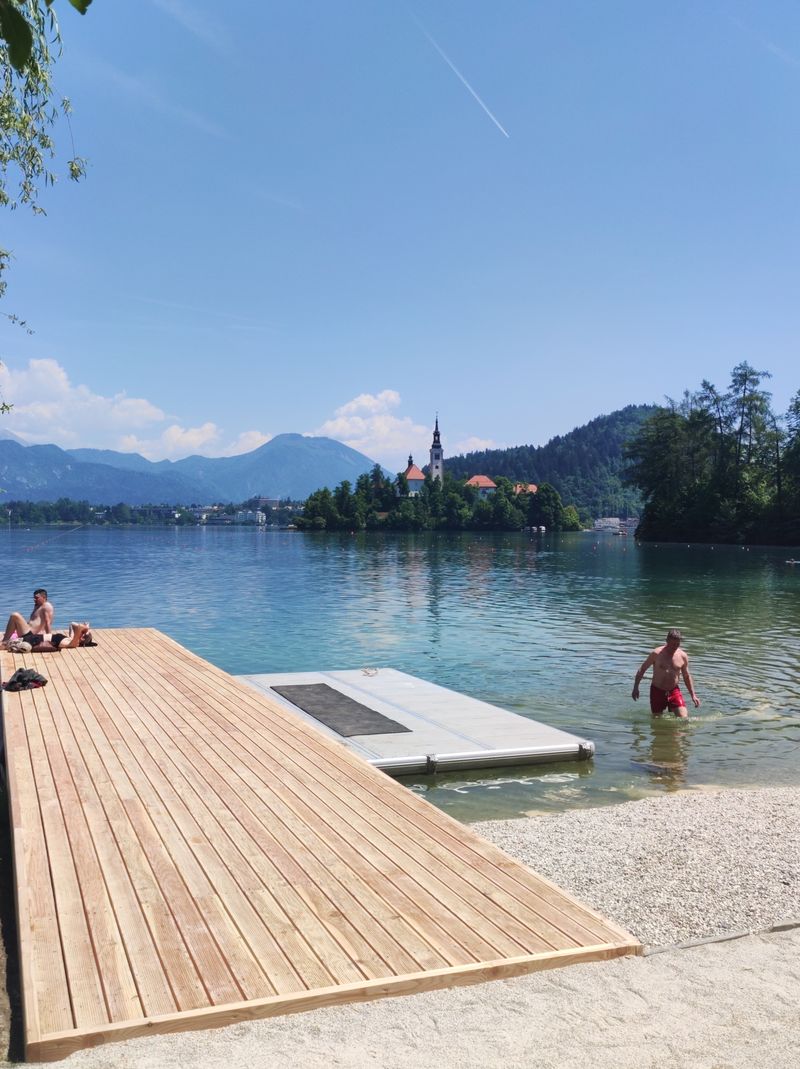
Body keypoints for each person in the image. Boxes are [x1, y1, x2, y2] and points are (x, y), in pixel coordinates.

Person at [632, 628, 701, 718]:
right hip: (657, 691)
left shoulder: (683, 656)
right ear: (667, 640)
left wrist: (693, 695)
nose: (675, 647)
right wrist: (636, 687)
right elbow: (642, 669)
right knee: (657, 719)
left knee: (684, 718)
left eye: (677, 644)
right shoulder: (656, 653)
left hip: (674, 691)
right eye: (673, 644)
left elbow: (686, 676)